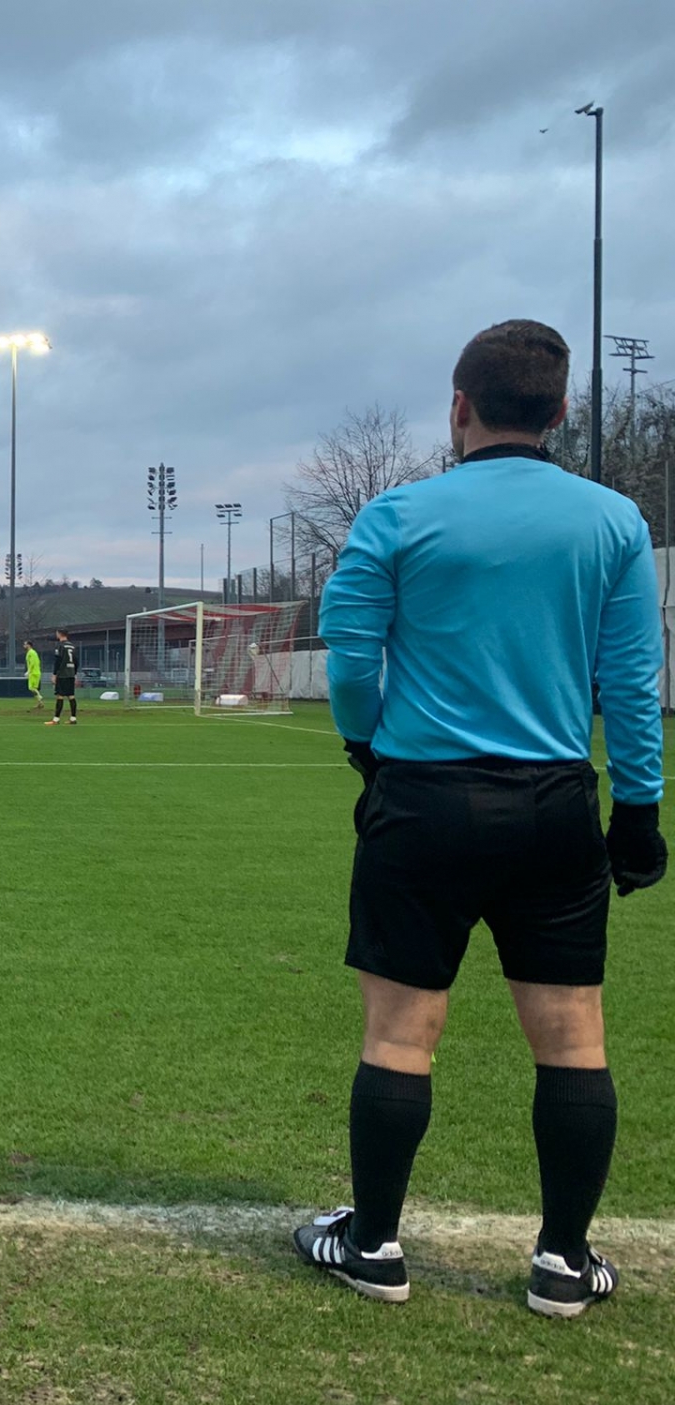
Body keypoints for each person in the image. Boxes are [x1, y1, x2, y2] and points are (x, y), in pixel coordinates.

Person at [295, 320, 665, 1318]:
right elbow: (633, 683)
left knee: (401, 1032)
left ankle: (373, 1248)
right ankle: (563, 1263)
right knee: (573, 1034)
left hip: (423, 803)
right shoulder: (614, 522)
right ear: (561, 412)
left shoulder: (397, 516)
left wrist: (366, 750)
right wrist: (638, 811)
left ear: (459, 406)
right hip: (554, 807)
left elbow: (351, 658)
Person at [46, 629, 79, 726]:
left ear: (59, 634)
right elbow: (76, 661)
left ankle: (56, 719)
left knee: (60, 696)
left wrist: (54, 674)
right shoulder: (72, 646)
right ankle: (73, 718)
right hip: (71, 673)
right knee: (71, 696)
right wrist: (75, 673)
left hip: (62, 673)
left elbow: (58, 660)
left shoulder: (60, 646)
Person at [22, 640, 42, 712]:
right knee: (34, 688)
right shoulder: (32, 652)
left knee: (31, 688)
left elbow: (32, 663)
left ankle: (40, 697)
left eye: (25, 644)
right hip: (35, 672)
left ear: (29, 645)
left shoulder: (31, 653)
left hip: (34, 673)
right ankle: (40, 703)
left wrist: (29, 671)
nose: (24, 646)